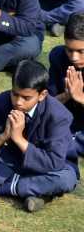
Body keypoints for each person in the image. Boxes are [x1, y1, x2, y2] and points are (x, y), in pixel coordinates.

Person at [0, 59, 79, 212]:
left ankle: (0, 189)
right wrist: (4, 135)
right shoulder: (3, 101)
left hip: (53, 168)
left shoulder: (59, 115)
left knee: (66, 179)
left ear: (42, 95)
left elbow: (54, 163)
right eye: (15, 94)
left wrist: (19, 139)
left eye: (26, 98)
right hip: (14, 162)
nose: (18, 102)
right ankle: (33, 191)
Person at [48, 12, 84, 156]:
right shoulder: (58, 57)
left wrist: (80, 97)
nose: (74, 57)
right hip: (67, 120)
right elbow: (47, 103)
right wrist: (67, 95)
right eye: (69, 50)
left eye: (81, 51)